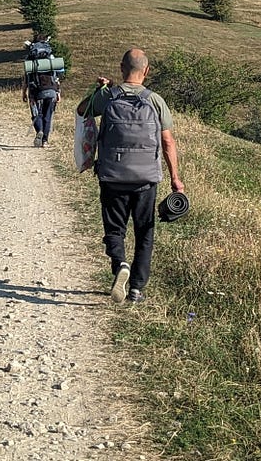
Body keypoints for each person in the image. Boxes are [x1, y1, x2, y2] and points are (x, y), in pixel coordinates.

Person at [76, 47, 184, 304]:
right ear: (146, 71)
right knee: (144, 231)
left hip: (112, 175)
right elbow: (167, 142)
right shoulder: (155, 100)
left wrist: (98, 90)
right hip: (146, 179)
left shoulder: (109, 96)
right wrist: (175, 178)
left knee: (115, 229)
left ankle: (120, 264)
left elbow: (82, 110)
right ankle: (136, 288)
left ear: (121, 69)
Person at [22, 44, 62, 147]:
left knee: (36, 115)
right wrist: (58, 92)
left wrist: (24, 93)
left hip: (35, 92)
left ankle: (40, 130)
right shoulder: (51, 60)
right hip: (51, 91)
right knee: (47, 116)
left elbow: (26, 80)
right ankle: (45, 141)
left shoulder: (30, 62)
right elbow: (56, 78)